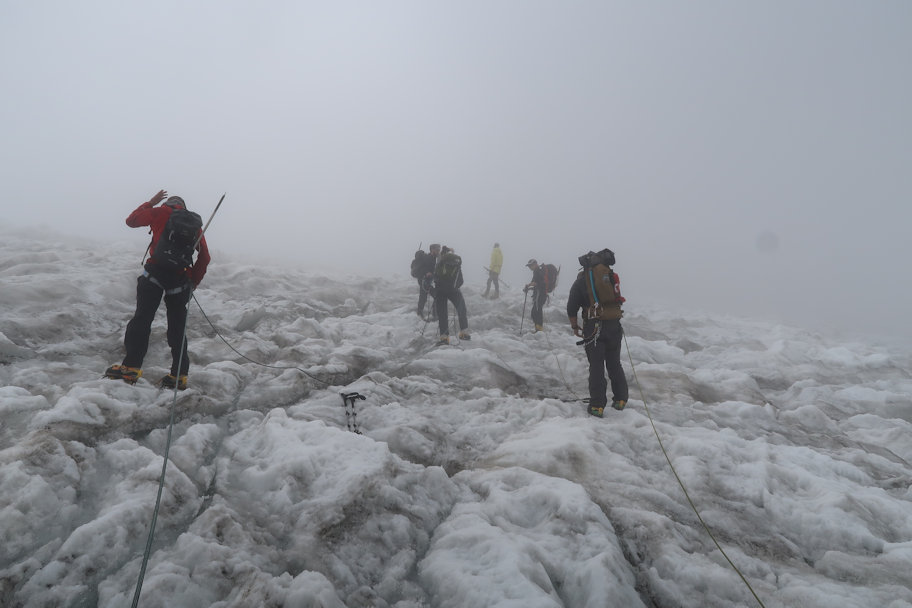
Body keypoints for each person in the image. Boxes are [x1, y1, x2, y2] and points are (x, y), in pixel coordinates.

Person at [105, 190, 210, 390]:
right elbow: (204, 257)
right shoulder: (194, 225)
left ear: (168, 203)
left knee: (142, 319)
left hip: (154, 274)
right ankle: (179, 375)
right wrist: (193, 282)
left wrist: (151, 202)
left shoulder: (161, 212)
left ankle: (131, 368)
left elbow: (131, 221)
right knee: (177, 328)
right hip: (179, 281)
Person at [566, 249, 628, 417]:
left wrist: (575, 326)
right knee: (614, 363)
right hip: (614, 325)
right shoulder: (608, 276)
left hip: (594, 327)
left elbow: (571, 307)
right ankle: (621, 399)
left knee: (596, 366)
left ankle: (597, 406)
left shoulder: (582, 280)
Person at [434, 246, 470, 345]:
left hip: (441, 291)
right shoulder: (456, 264)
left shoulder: (440, 262)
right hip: (454, 291)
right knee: (461, 309)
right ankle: (464, 333)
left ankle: (444, 338)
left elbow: (435, 277)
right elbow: (460, 280)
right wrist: (454, 287)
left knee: (442, 314)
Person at [412, 243, 440, 319]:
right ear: (432, 250)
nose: (438, 251)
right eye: (437, 250)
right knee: (436, 296)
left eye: (439, 250)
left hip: (427, 281)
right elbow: (421, 268)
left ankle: (420, 314)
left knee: (423, 297)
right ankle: (434, 315)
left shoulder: (433, 258)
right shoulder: (428, 258)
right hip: (423, 281)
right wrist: (426, 272)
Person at [524, 259, 548, 332]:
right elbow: (534, 282)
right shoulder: (536, 271)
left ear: (535, 264)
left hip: (540, 295)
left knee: (536, 312)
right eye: (529, 266)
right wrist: (529, 286)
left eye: (530, 266)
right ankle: (538, 328)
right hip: (539, 294)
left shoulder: (538, 271)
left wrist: (530, 285)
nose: (529, 267)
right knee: (535, 312)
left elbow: (539, 283)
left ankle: (539, 329)